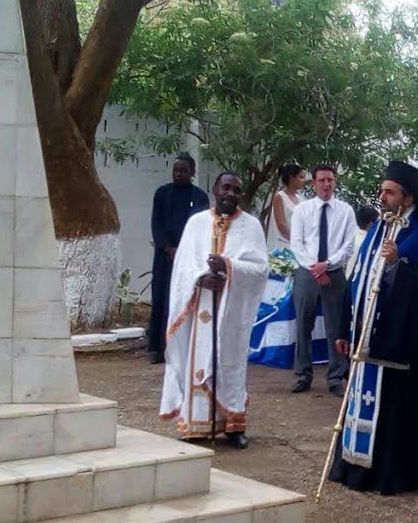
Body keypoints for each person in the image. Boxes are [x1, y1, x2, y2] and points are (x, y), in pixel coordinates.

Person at [329, 161, 418, 495]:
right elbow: (355, 279)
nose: (382, 197)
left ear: (408, 198)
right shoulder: (378, 228)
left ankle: (384, 475)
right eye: (382, 191)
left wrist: (395, 265)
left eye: (389, 192)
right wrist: (344, 329)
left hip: (395, 344)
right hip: (363, 336)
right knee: (359, 402)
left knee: (389, 409)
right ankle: (352, 469)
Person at [158, 172, 269, 449]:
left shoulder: (251, 226)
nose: (230, 193)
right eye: (226, 187)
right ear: (215, 190)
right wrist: (200, 278)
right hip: (201, 307)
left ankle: (233, 425)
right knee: (198, 360)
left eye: (236, 190)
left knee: (231, 364)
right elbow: (182, 267)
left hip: (233, 310)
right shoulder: (196, 223)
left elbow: (260, 270)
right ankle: (196, 424)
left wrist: (229, 268)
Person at [289, 164, 356, 395]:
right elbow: (296, 243)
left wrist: (326, 264)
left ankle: (336, 377)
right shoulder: (302, 210)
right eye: (321, 180)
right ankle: (303, 374)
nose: (326, 184)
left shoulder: (346, 211)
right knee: (303, 324)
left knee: (336, 326)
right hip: (307, 273)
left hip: (334, 273)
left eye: (330, 180)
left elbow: (348, 246)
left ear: (335, 182)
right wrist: (315, 268)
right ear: (314, 183)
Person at [148, 154, 209, 364]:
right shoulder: (162, 193)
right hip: (164, 257)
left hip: (188, 258)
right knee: (159, 298)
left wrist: (183, 250)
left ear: (192, 172)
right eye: (176, 170)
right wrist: (167, 247)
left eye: (183, 170)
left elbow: (200, 228)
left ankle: (178, 347)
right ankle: (156, 347)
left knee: (180, 299)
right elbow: (156, 223)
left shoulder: (199, 197)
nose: (178, 174)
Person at [262, 163, 306, 252]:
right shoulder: (280, 197)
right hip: (283, 245)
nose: (303, 180)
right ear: (291, 178)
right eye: (300, 177)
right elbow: (281, 224)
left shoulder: (300, 199)